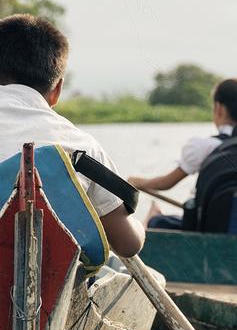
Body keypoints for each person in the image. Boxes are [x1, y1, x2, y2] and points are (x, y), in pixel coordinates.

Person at [0, 14, 144, 257]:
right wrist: (140, 227)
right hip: (47, 280)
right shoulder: (81, 146)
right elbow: (128, 245)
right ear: (56, 91)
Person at [128, 78, 237, 229]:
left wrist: (137, 182)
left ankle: (154, 216)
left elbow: (165, 184)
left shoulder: (204, 147)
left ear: (218, 108)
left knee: (155, 220)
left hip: (206, 235)